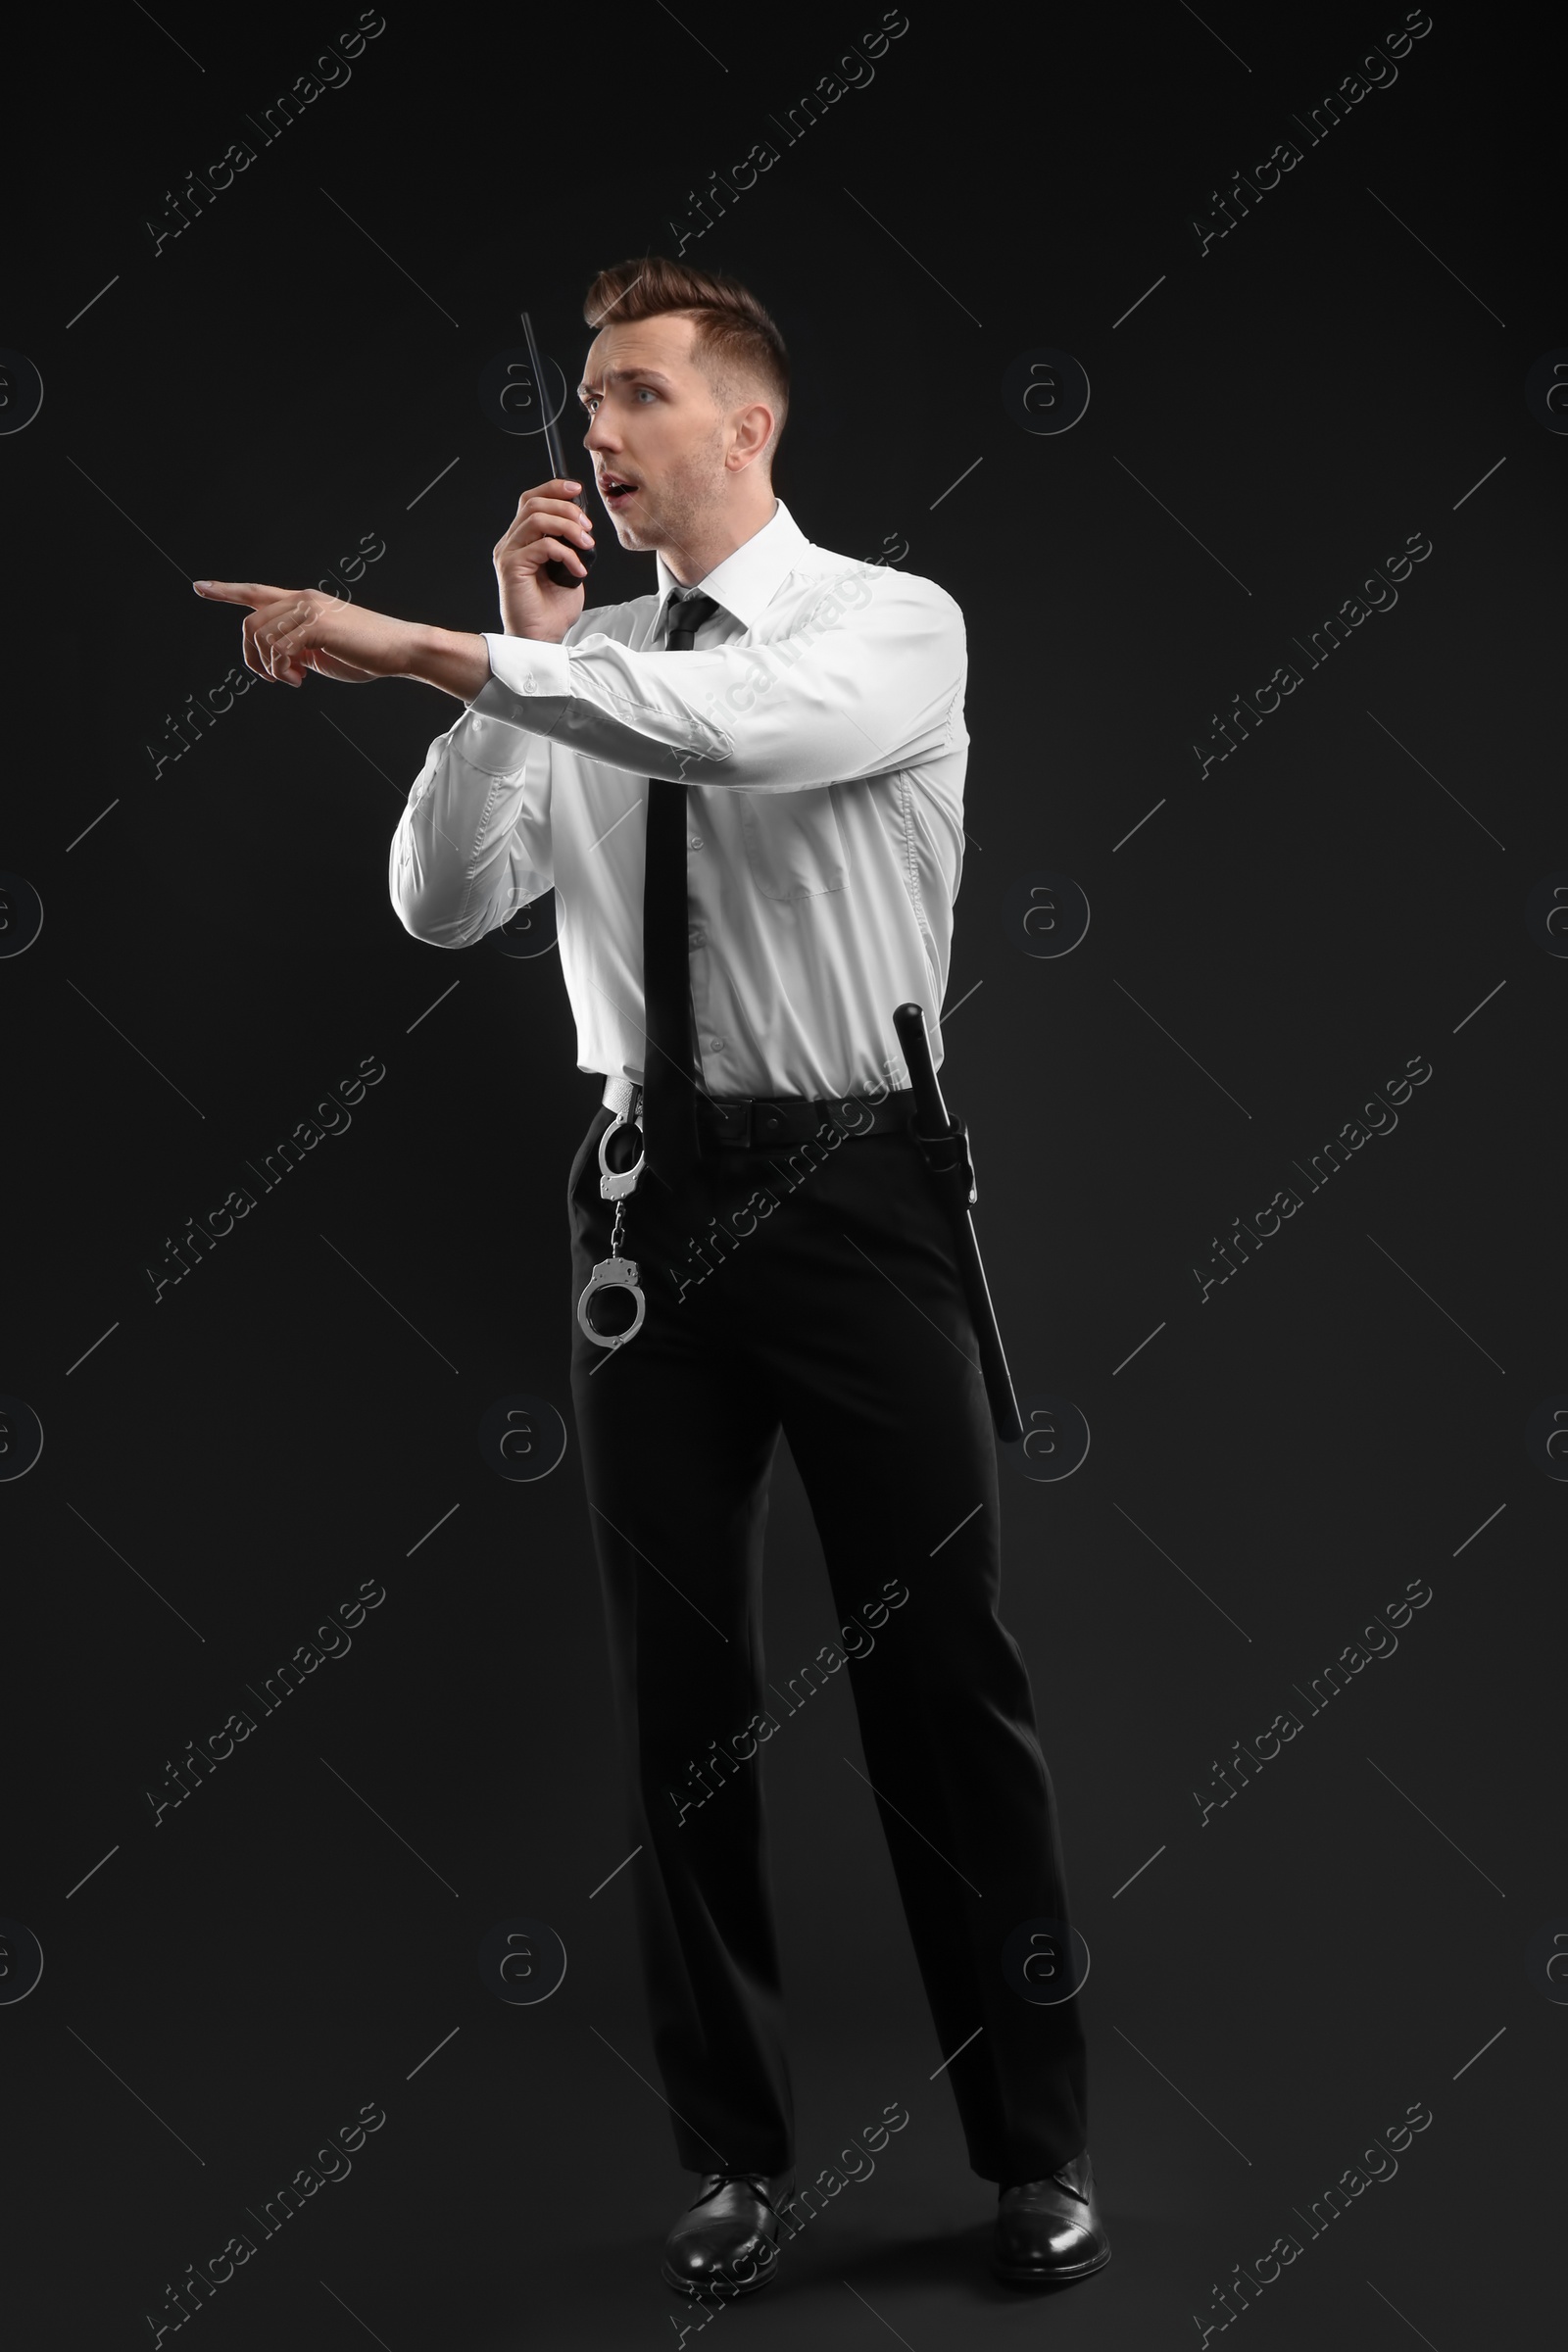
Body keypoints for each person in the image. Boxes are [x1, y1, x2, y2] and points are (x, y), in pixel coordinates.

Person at [193, 254, 1109, 2303]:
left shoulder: (887, 629)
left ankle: (1034, 2151)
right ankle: (729, 2160)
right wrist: (504, 655)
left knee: (941, 1691)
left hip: (857, 1198)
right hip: (642, 1217)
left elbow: (726, 740)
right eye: (585, 403)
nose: (590, 434)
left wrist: (430, 649)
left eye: (629, 397)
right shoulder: (574, 655)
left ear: (743, 426)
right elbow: (442, 906)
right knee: (674, 1711)